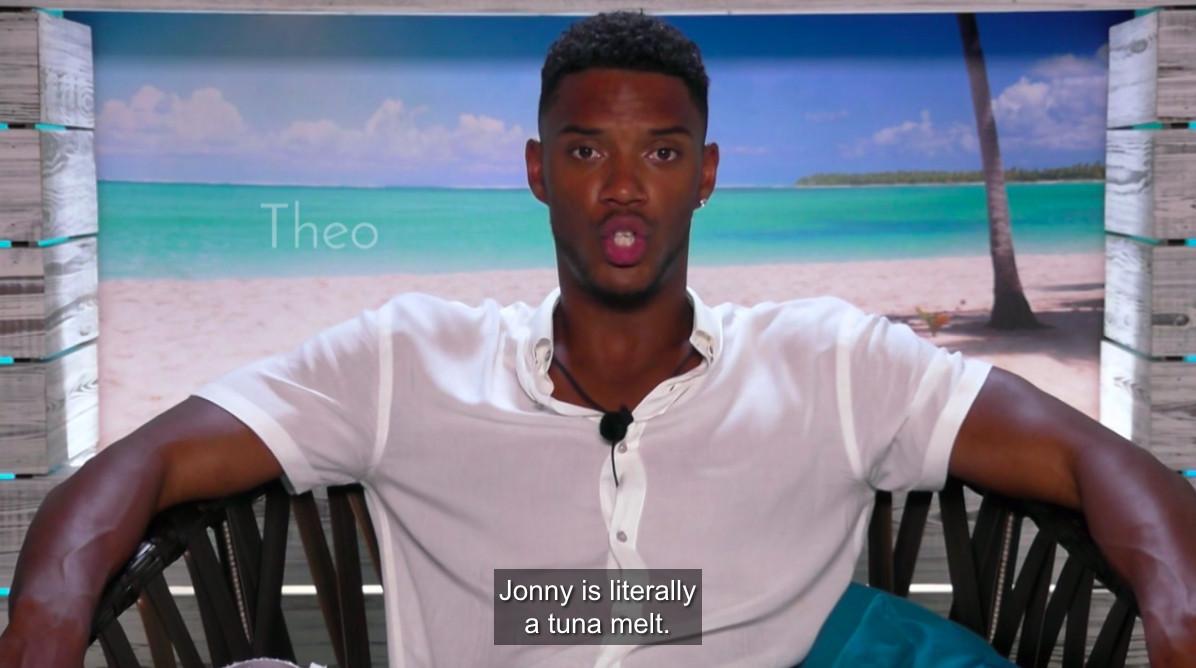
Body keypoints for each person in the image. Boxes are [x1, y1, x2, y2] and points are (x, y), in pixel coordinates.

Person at [2, 11, 1195, 668]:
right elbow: (143, 462)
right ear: (537, 170)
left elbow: (1093, 459)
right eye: (586, 151)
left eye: (660, 152)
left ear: (706, 174)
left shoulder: (831, 360)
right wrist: (45, 617)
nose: (623, 188)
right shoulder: (406, 357)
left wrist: (1179, 612)